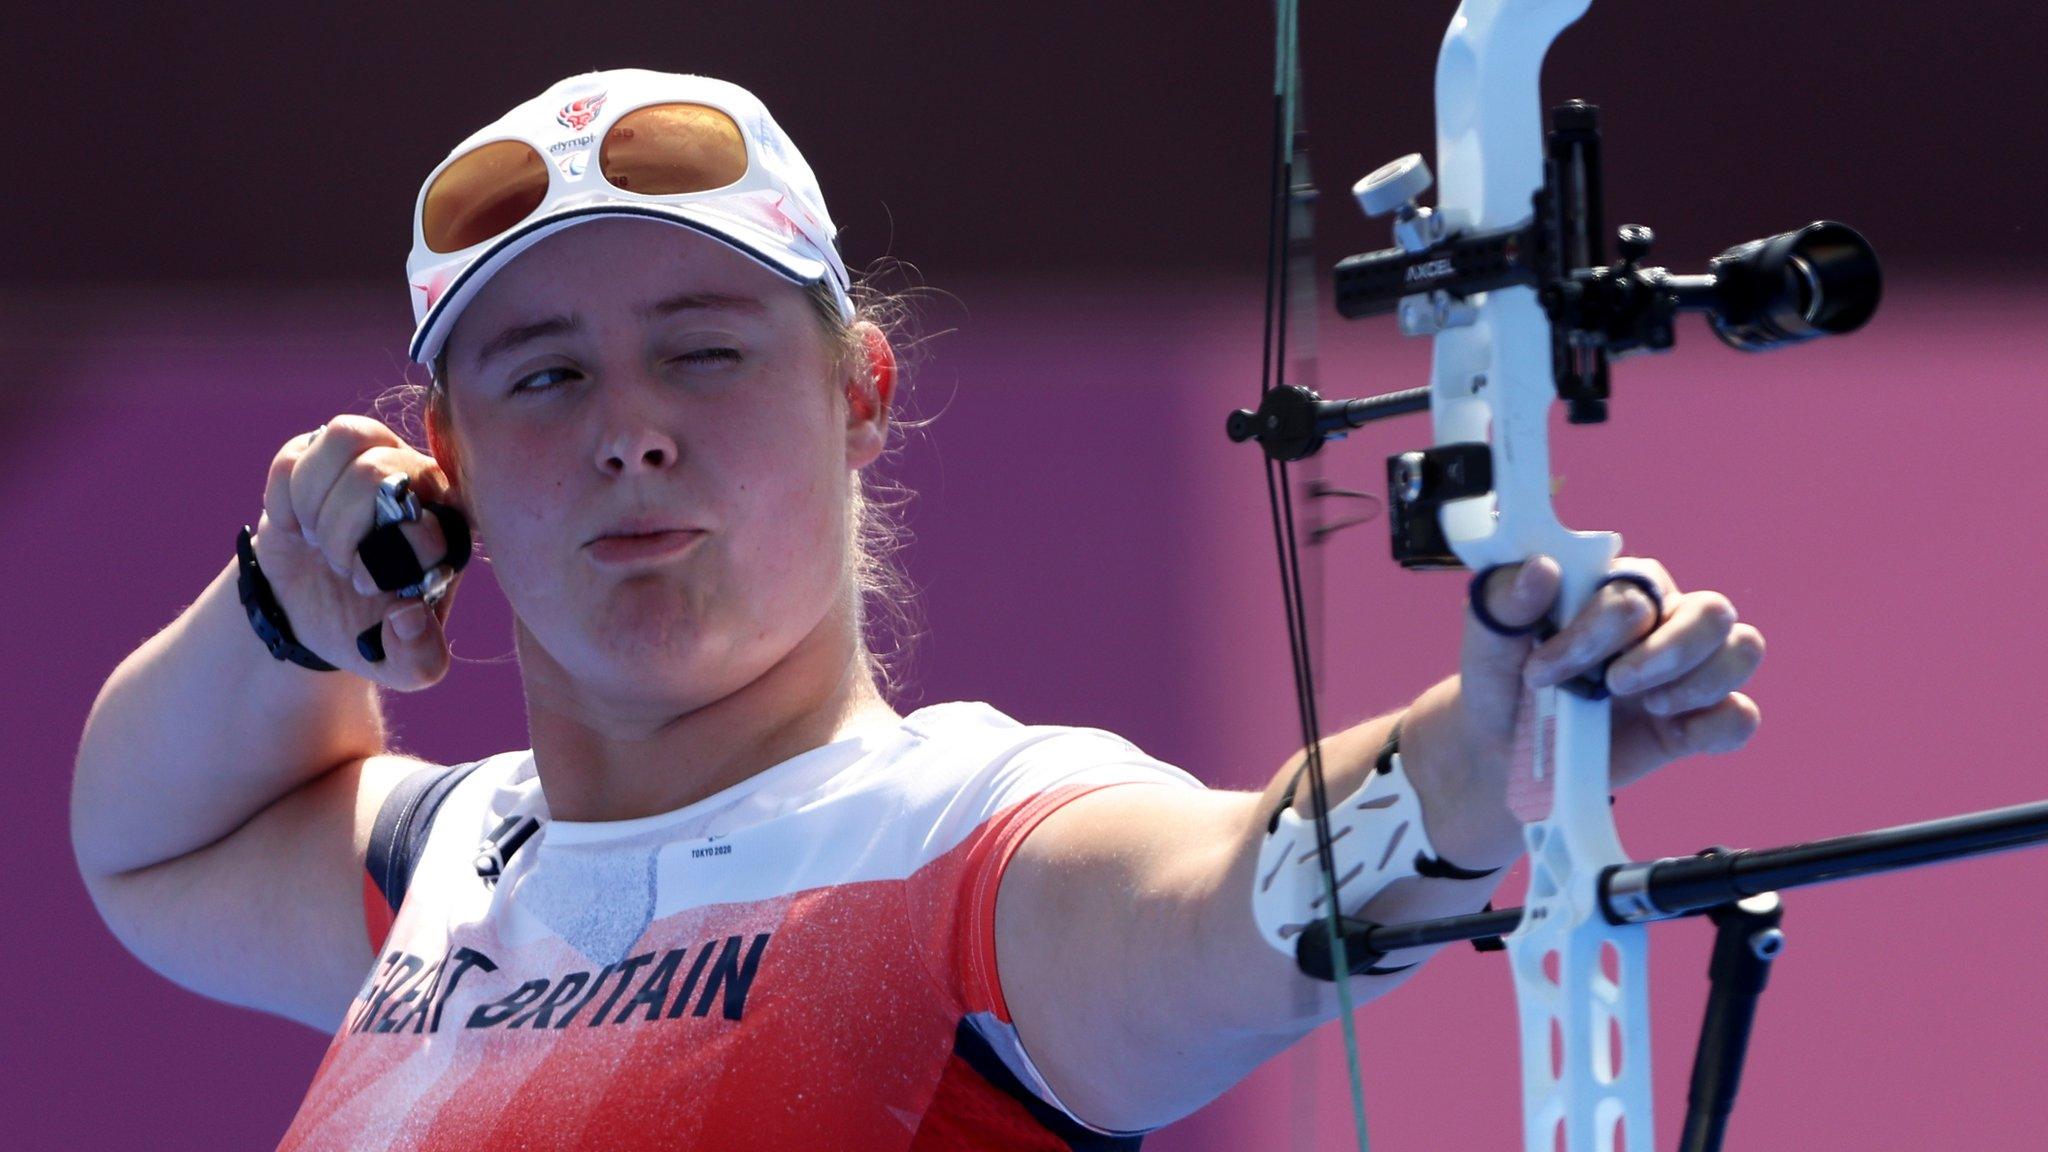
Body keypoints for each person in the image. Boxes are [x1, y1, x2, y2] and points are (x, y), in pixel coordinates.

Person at [70, 69, 1764, 1149]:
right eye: (544, 376)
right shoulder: (443, 865)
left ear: (859, 392)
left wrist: (1476, 761)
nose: (628, 427)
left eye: (707, 351)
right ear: (446, 465)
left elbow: (1227, 905)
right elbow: (140, 847)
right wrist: (277, 613)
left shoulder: (958, 839)